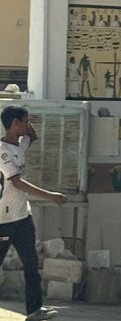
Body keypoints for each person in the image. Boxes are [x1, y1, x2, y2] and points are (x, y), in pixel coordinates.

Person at [0, 106, 67, 321]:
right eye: (25, 121)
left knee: (31, 265)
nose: (28, 124)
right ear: (14, 123)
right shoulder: (2, 152)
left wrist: (28, 125)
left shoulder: (20, 145)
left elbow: (33, 136)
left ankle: (34, 311)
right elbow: (17, 183)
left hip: (22, 218)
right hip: (3, 220)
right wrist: (51, 196)